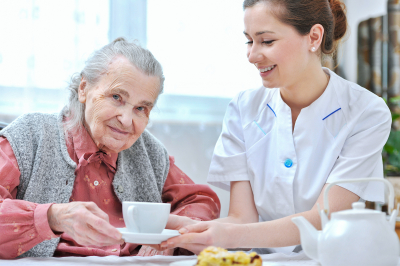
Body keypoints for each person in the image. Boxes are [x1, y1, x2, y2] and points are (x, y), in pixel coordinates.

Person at [156, 0, 392, 254]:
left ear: (314, 37)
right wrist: (188, 230)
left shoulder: (367, 112)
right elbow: (242, 219)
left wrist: (229, 235)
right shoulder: (243, 109)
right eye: (249, 41)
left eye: (266, 41)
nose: (252, 55)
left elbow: (324, 219)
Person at [0, 38, 220, 259]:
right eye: (117, 97)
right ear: (84, 89)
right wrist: (53, 217)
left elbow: (200, 201)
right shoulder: (29, 135)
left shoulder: (149, 152)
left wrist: (173, 235)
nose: (126, 120)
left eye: (140, 108)